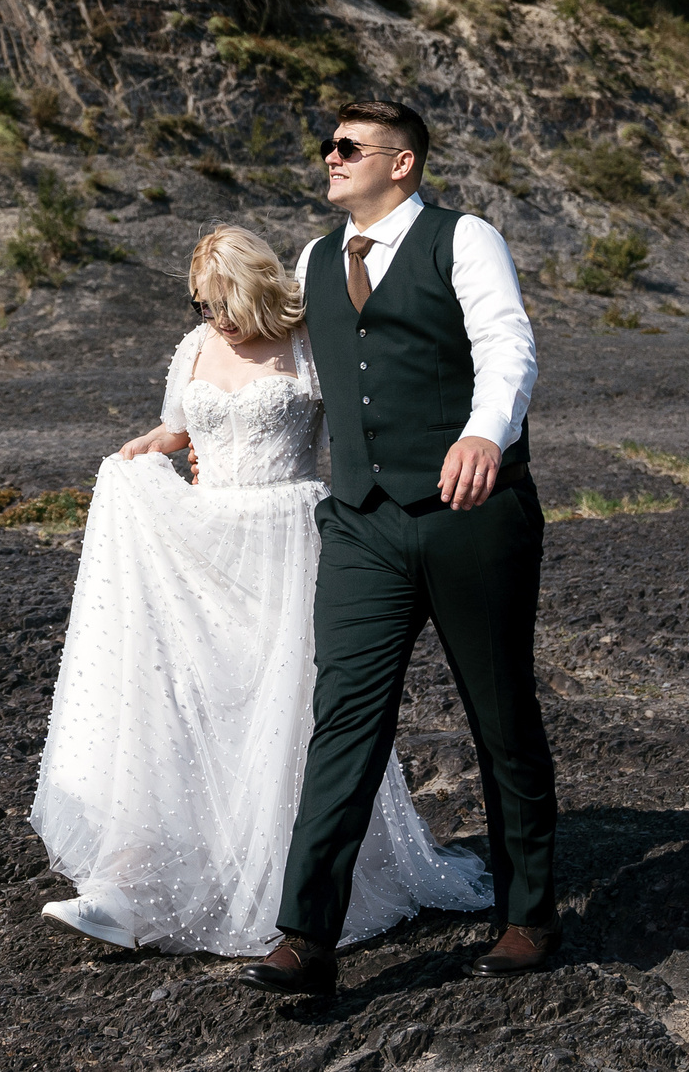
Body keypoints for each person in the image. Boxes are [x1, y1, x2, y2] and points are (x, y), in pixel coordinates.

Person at [28, 224, 492, 955]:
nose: (216, 318)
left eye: (225, 302)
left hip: (291, 542)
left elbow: (360, 424)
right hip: (208, 546)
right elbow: (180, 430)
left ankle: (291, 884)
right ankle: (130, 888)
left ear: (257, 288)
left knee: (292, 715)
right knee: (187, 708)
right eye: (203, 304)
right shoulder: (194, 348)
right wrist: (147, 450)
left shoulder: (310, 342)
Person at [238, 99, 556, 999]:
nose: (329, 158)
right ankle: (305, 936)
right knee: (343, 721)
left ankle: (529, 913)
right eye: (328, 146)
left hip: (471, 512)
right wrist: (181, 426)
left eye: (348, 147)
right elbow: (272, 365)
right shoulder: (312, 258)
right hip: (362, 522)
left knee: (502, 719)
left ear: (403, 163)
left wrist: (488, 433)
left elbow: (508, 345)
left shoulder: (465, 239)